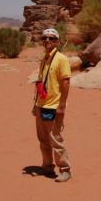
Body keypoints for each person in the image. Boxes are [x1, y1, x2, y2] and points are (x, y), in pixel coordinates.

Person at [31, 28, 72, 182]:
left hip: (53, 106)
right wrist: (35, 104)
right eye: (45, 38)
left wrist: (62, 105)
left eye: (51, 38)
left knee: (55, 139)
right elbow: (40, 83)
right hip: (41, 105)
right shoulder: (44, 60)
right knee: (43, 139)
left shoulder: (61, 59)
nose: (47, 41)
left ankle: (65, 170)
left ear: (57, 42)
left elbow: (66, 81)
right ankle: (47, 167)